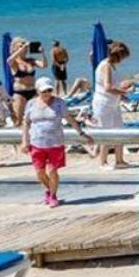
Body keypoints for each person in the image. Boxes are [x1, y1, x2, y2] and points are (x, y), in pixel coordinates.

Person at [20, 77, 93, 207]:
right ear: (38, 91)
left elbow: (69, 119)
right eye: (44, 91)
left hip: (55, 143)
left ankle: (53, 196)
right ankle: (49, 189)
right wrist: (24, 141)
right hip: (37, 143)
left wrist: (81, 133)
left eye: (49, 90)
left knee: (53, 171)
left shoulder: (59, 103)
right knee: (40, 173)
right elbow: (26, 123)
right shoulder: (31, 104)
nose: (47, 93)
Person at [93, 40, 132, 169]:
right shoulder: (106, 66)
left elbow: (113, 87)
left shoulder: (111, 66)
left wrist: (121, 95)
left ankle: (119, 160)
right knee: (106, 132)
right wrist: (123, 91)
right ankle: (102, 162)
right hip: (103, 104)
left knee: (119, 131)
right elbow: (108, 87)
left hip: (112, 103)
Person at [7, 37, 45, 125]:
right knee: (18, 121)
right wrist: (22, 49)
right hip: (20, 93)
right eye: (20, 46)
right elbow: (8, 60)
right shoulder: (14, 62)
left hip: (33, 91)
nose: (25, 49)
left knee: (36, 118)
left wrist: (43, 53)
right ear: (15, 48)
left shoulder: (30, 60)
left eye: (26, 47)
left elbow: (44, 65)